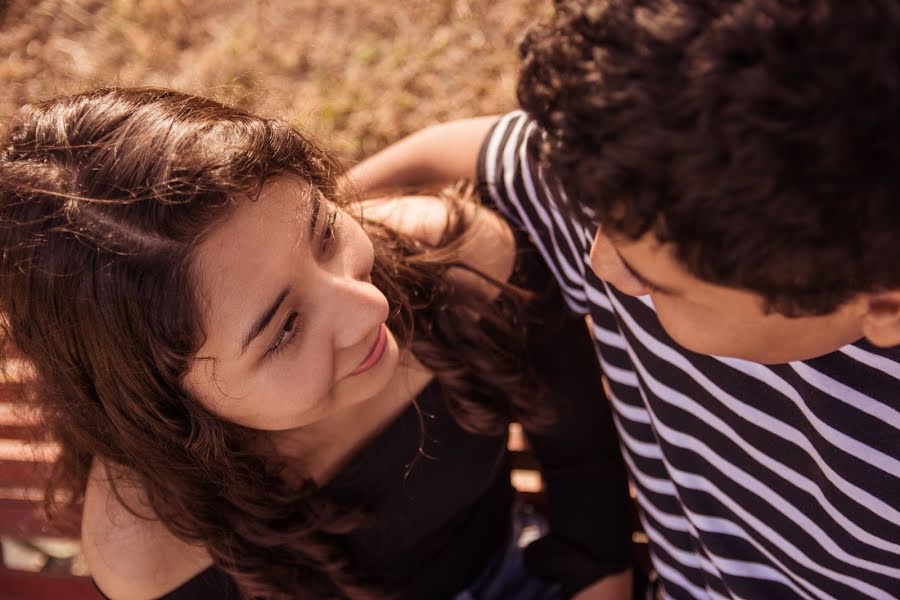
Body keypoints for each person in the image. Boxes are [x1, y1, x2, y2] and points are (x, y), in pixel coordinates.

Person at [344, 1, 900, 598]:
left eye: (656, 283)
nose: (598, 262)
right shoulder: (658, 182)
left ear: (883, 305)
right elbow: (443, 159)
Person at [0, 88, 634, 599]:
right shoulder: (153, 553)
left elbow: (583, 461)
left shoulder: (460, 262)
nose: (371, 308)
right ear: (165, 407)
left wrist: (597, 578)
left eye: (325, 231)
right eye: (283, 329)